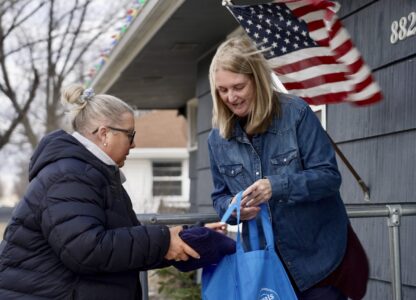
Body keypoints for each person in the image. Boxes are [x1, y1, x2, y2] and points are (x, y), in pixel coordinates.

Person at [0, 84, 225, 299]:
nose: (134, 144)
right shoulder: (69, 175)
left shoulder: (93, 174)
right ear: (105, 134)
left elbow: (124, 247)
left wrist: (189, 237)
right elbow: (87, 250)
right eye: (130, 135)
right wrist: (164, 241)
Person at [207, 36, 369, 300]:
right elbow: (220, 197)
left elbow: (329, 178)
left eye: (238, 87)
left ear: (257, 81)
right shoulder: (217, 138)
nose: (231, 97)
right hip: (263, 268)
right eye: (222, 90)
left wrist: (277, 185)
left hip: (317, 262)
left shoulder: (297, 114)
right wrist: (235, 208)